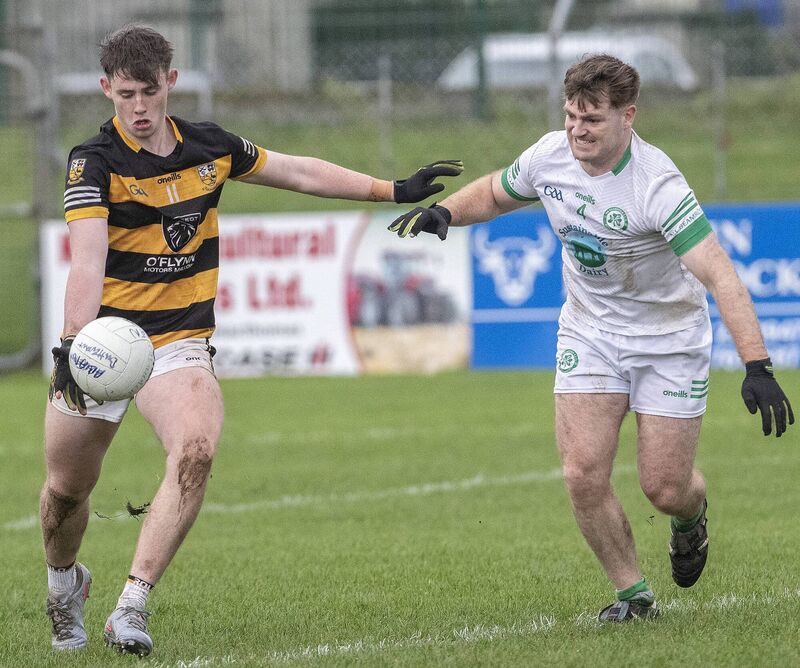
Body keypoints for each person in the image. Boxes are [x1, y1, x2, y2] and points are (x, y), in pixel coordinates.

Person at [43, 24, 462, 656]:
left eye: (149, 91)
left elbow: (295, 171)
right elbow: (87, 259)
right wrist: (71, 346)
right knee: (65, 492)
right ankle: (63, 584)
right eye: (125, 94)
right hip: (102, 344)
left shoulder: (209, 146)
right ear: (106, 89)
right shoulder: (93, 161)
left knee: (195, 450)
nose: (138, 107)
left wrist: (390, 190)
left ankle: (131, 606)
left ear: (171, 82)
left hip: (177, 342)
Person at [389, 54, 794, 622]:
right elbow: (497, 193)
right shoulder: (549, 156)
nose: (577, 129)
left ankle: (690, 515)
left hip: (669, 340)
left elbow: (720, 274)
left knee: (665, 488)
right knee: (582, 473)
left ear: (628, 116)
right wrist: (447, 213)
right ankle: (634, 596)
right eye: (571, 116)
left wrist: (757, 366)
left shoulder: (657, 184)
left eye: (592, 119)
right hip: (591, 330)